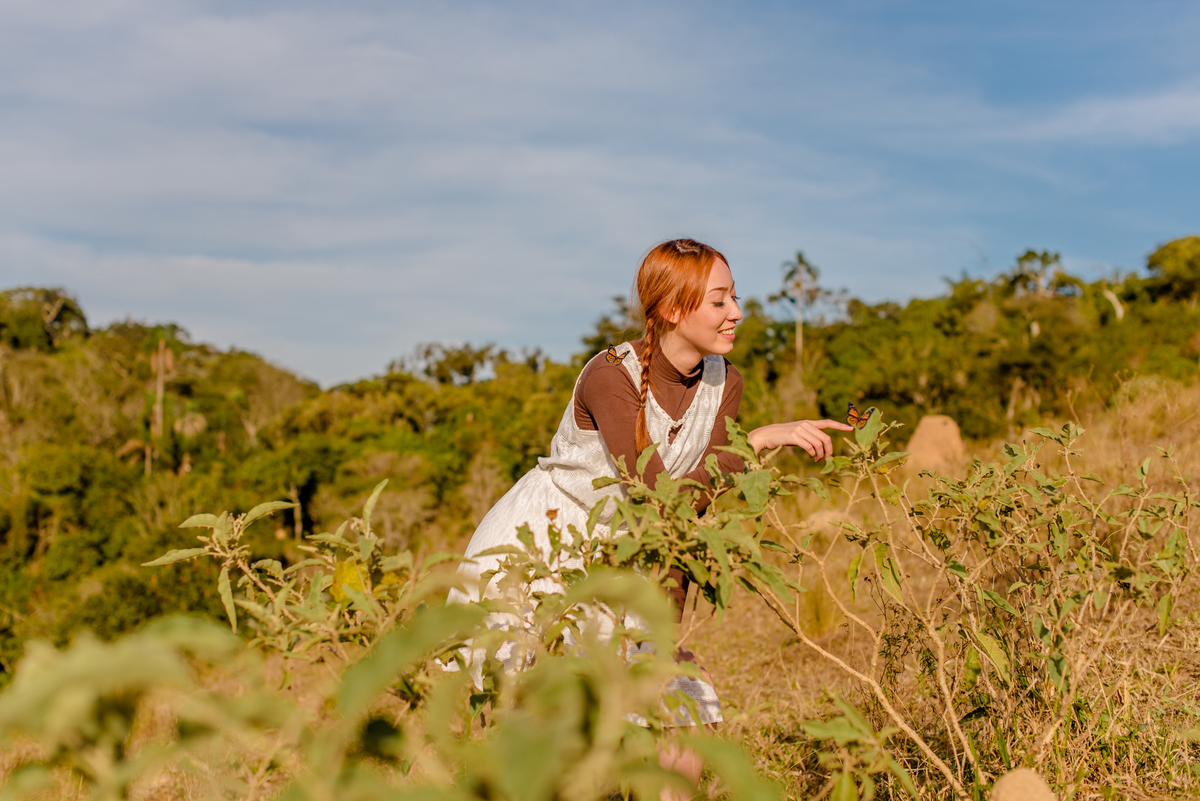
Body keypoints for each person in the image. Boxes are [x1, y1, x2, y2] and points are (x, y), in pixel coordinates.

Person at [448, 238, 851, 796]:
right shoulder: (610, 375)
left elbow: (684, 522)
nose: (736, 312)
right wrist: (755, 441)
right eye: (719, 301)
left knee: (684, 720)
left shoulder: (723, 380)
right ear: (670, 309)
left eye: (734, 297)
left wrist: (663, 632)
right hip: (547, 551)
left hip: (632, 552)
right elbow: (658, 496)